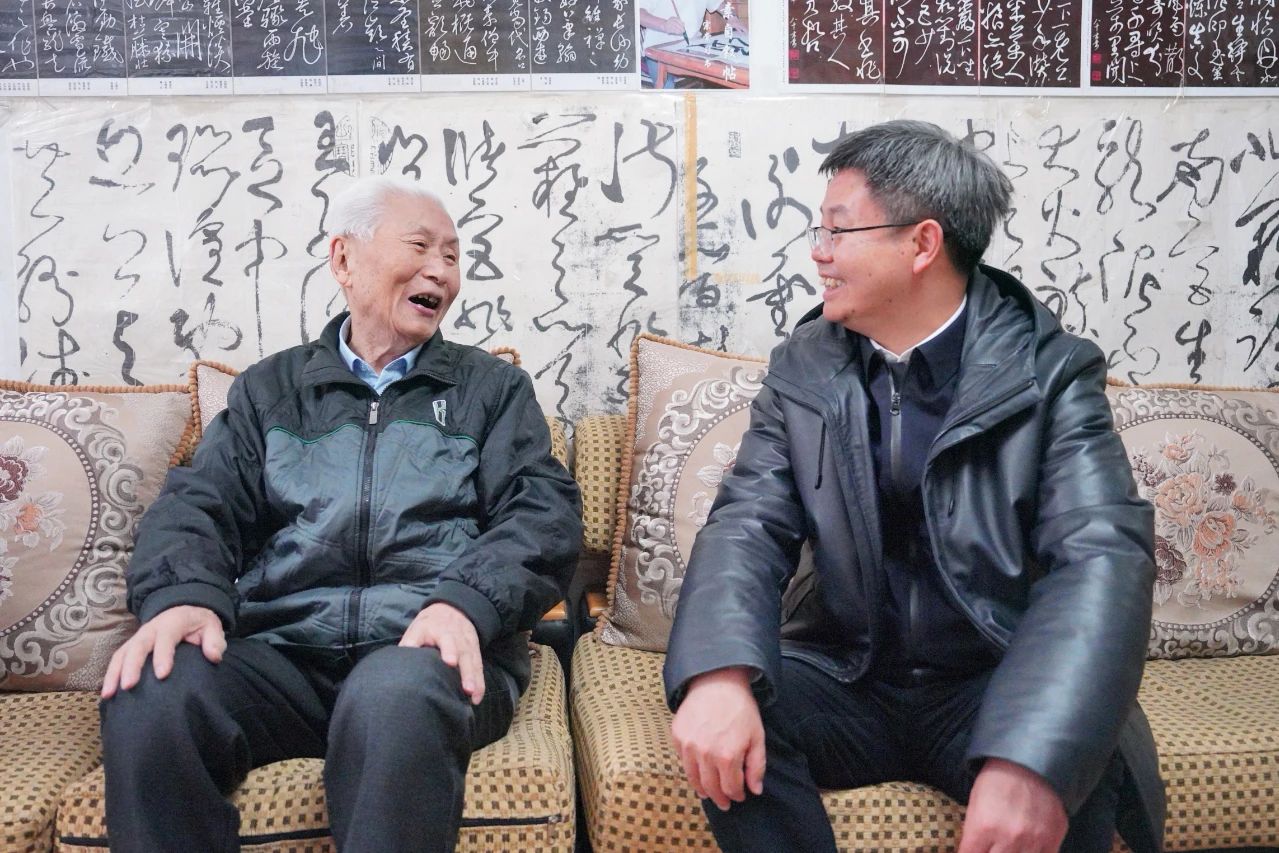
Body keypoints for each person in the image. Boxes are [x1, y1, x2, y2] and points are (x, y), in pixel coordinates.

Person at [664, 120, 1164, 853]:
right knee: (724, 718)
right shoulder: (805, 366)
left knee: (1075, 754)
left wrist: (1032, 756)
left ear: (922, 243)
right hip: (846, 672)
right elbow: (747, 524)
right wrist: (719, 672)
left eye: (838, 230)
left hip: (989, 676)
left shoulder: (1050, 373)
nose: (818, 251)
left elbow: (1101, 556)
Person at [98, 176, 582, 852]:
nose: (440, 271)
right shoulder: (271, 391)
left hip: (421, 655)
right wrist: (182, 597)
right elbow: (198, 503)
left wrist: (464, 604)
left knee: (394, 697)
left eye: (451, 255)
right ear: (344, 259)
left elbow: (542, 513)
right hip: (281, 657)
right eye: (420, 246)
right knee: (153, 689)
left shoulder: (491, 391)